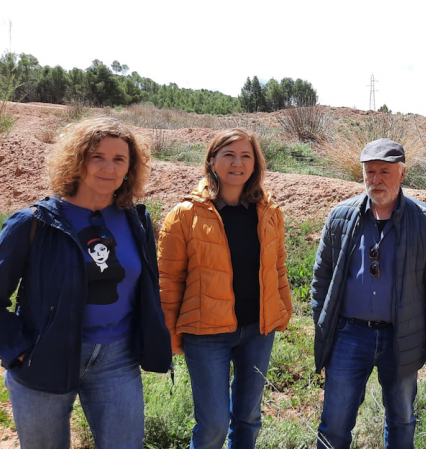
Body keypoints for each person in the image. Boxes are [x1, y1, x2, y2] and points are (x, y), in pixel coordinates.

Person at [0, 117, 172, 449]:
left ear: (129, 168)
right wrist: (17, 349)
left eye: (119, 159)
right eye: (98, 156)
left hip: (117, 359)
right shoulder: (33, 222)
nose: (109, 167)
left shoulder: (136, 221)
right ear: (77, 161)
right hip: (44, 355)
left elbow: (147, 287)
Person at [311, 138, 426, 449]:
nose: (376, 180)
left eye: (384, 172)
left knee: (402, 421)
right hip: (349, 335)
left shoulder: (425, 222)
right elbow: (321, 280)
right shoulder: (340, 217)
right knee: (334, 423)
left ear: (402, 174)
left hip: (402, 338)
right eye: (370, 172)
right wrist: (324, 329)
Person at [158, 128, 292, 449]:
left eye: (246, 155)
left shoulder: (268, 212)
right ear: (212, 161)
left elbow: (278, 268)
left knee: (248, 418)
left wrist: (281, 312)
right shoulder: (185, 215)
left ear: (255, 164)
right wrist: (171, 335)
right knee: (214, 425)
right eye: (229, 155)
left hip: (257, 332)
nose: (237, 163)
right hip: (206, 336)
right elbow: (168, 281)